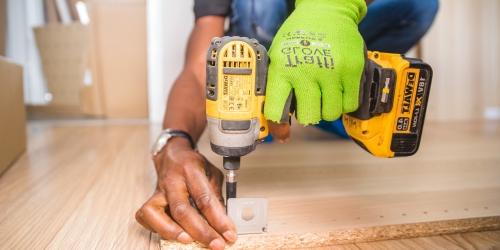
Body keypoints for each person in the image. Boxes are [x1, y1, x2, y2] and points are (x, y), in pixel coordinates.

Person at [135, 0, 439, 249]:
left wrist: (334, 7)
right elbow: (199, 67)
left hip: (335, 28)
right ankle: (276, 99)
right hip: (264, 43)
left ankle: (333, 92)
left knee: (418, 4)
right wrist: (173, 141)